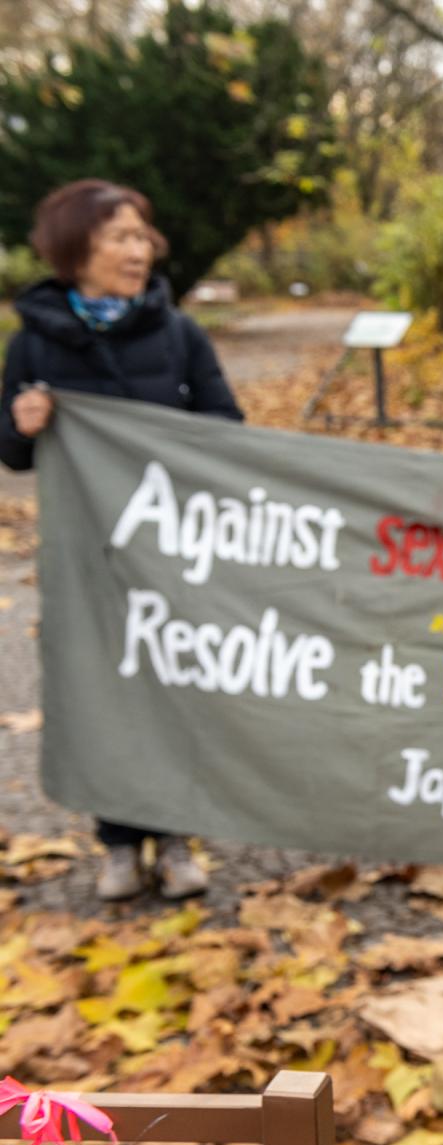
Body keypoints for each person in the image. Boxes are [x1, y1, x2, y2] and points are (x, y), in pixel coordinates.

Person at [1, 179, 243, 902]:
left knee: (169, 683)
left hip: (169, 550)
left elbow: (227, 429)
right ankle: (116, 840)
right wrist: (26, 421)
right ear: (77, 250)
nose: (138, 251)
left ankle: (173, 837)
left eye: (144, 237)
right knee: (102, 687)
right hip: (87, 558)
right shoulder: (33, 340)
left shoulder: (178, 334)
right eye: (121, 238)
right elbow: (10, 452)